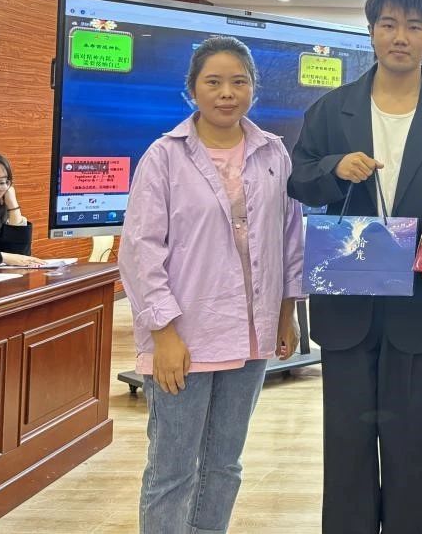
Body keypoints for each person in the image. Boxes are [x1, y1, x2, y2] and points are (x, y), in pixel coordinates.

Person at [287, 0, 422, 534]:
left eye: (414, 27)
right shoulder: (332, 111)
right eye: (389, 24)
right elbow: (298, 178)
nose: (401, 36)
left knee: (413, 445)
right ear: (372, 31)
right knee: (346, 445)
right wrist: (333, 169)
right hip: (347, 303)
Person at [118, 36, 304, 534]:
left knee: (224, 465)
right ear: (192, 90)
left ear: (253, 88)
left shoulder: (272, 153)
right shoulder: (165, 156)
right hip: (184, 336)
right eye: (214, 82)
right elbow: (139, 250)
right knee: (172, 470)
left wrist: (286, 315)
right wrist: (164, 334)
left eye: (238, 82)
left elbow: (290, 239)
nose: (227, 93)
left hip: (251, 334)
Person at [0, 150, 43, 268]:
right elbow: (9, 257)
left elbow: (20, 259)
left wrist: (13, 206)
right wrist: (1, 256)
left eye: (2, 182)